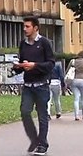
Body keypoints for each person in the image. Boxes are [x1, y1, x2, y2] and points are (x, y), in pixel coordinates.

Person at [13, 16, 54, 156]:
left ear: (36, 28)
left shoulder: (44, 43)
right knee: (25, 111)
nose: (25, 29)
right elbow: (20, 64)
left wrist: (35, 65)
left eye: (27, 26)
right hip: (28, 86)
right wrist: (18, 66)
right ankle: (35, 139)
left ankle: (43, 144)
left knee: (42, 115)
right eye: (24, 26)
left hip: (41, 86)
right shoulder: (23, 44)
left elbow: (50, 64)